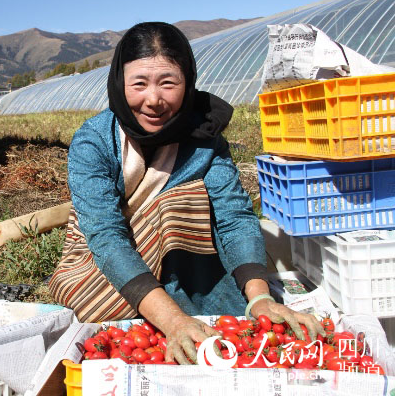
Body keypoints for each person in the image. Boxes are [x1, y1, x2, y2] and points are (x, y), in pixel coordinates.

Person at [49, 22, 324, 365]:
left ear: (188, 82)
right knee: (176, 203)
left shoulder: (203, 137)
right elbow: (106, 236)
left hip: (188, 264)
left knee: (187, 203)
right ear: (120, 82)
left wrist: (259, 299)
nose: (153, 100)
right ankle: (162, 307)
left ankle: (192, 301)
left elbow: (234, 217)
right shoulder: (94, 142)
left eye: (168, 83)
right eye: (139, 84)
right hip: (106, 264)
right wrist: (173, 321)